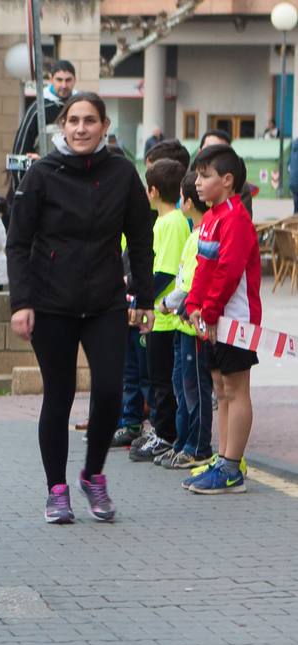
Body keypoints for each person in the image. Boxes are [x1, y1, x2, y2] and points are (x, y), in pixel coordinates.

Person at [6, 92, 155, 524]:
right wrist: (22, 302)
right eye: (73, 120)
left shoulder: (123, 174)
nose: (81, 128)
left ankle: (92, 474)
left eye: (90, 120)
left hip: (105, 300)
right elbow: (17, 243)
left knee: (109, 392)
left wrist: (144, 298)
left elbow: (141, 240)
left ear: (105, 127)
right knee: (60, 394)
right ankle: (56, 489)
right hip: (51, 302)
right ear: (62, 127)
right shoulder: (42, 174)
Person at [180, 143, 262, 495]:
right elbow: (204, 267)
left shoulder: (236, 218)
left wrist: (209, 310)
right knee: (220, 388)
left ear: (227, 180)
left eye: (205, 175)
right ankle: (225, 458)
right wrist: (194, 306)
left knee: (236, 388)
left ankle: (232, 467)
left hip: (236, 319)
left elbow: (229, 272)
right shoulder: (212, 218)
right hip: (211, 319)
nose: (197, 182)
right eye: (198, 175)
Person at [130, 159, 189, 464]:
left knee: (161, 383)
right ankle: (164, 432)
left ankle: (165, 435)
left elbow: (164, 272)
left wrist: (139, 298)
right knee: (157, 380)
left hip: (163, 318)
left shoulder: (170, 223)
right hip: (160, 317)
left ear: (152, 191)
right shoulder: (169, 221)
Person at [157, 166, 216, 471]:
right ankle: (184, 442)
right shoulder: (194, 234)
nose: (180, 203)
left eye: (182, 198)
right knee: (181, 386)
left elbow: (189, 286)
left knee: (194, 389)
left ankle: (199, 446)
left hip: (192, 328)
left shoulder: (199, 237)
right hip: (182, 327)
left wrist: (166, 304)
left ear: (189, 203)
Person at [14, 60, 75, 163]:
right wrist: (21, 177)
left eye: (68, 80)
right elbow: (19, 153)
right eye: (59, 80)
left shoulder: (79, 105)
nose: (64, 85)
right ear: (51, 80)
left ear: (74, 80)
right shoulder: (39, 109)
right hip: (44, 173)